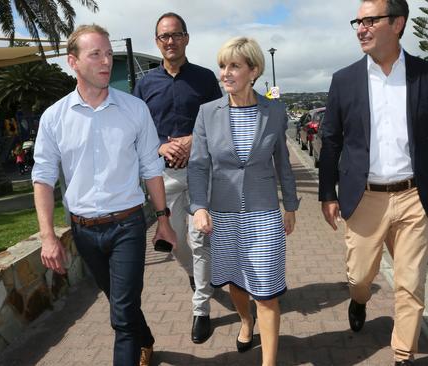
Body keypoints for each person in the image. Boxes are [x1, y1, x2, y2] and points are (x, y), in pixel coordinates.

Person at [318, 1, 428, 364]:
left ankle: (403, 354)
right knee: (360, 277)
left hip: (414, 195)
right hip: (364, 197)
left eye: (370, 20)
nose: (361, 28)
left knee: (410, 284)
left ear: (397, 23)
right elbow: (331, 140)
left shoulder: (427, 75)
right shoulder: (345, 79)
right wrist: (327, 193)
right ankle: (359, 299)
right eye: (359, 21)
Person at [31, 24, 177, 366]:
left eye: (109, 53)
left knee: (121, 315)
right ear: (73, 61)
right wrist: (48, 236)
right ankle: (146, 340)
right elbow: (42, 179)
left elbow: (151, 169)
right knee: (119, 302)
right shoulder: (54, 118)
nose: (106, 61)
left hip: (127, 226)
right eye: (96, 54)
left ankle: (134, 343)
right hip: (83, 231)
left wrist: (163, 220)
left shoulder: (134, 110)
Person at [188, 37, 299, 366]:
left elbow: (283, 163)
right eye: (222, 65)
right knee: (235, 281)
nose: (226, 72)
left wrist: (290, 206)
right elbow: (198, 165)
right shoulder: (207, 113)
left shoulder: (274, 110)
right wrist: (199, 206)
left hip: (264, 213)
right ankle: (245, 321)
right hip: (222, 214)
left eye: (234, 65)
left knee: (265, 291)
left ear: (253, 70)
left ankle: (268, 362)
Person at [133, 12, 222, 344]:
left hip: (201, 168)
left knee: (200, 239)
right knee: (178, 244)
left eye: (176, 35)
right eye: (163, 36)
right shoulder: (144, 85)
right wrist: (161, 147)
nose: (170, 41)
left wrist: (190, 141)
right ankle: (193, 276)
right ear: (157, 42)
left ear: (186, 38)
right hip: (164, 174)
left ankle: (201, 309)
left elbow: (218, 122)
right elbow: (139, 132)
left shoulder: (205, 79)